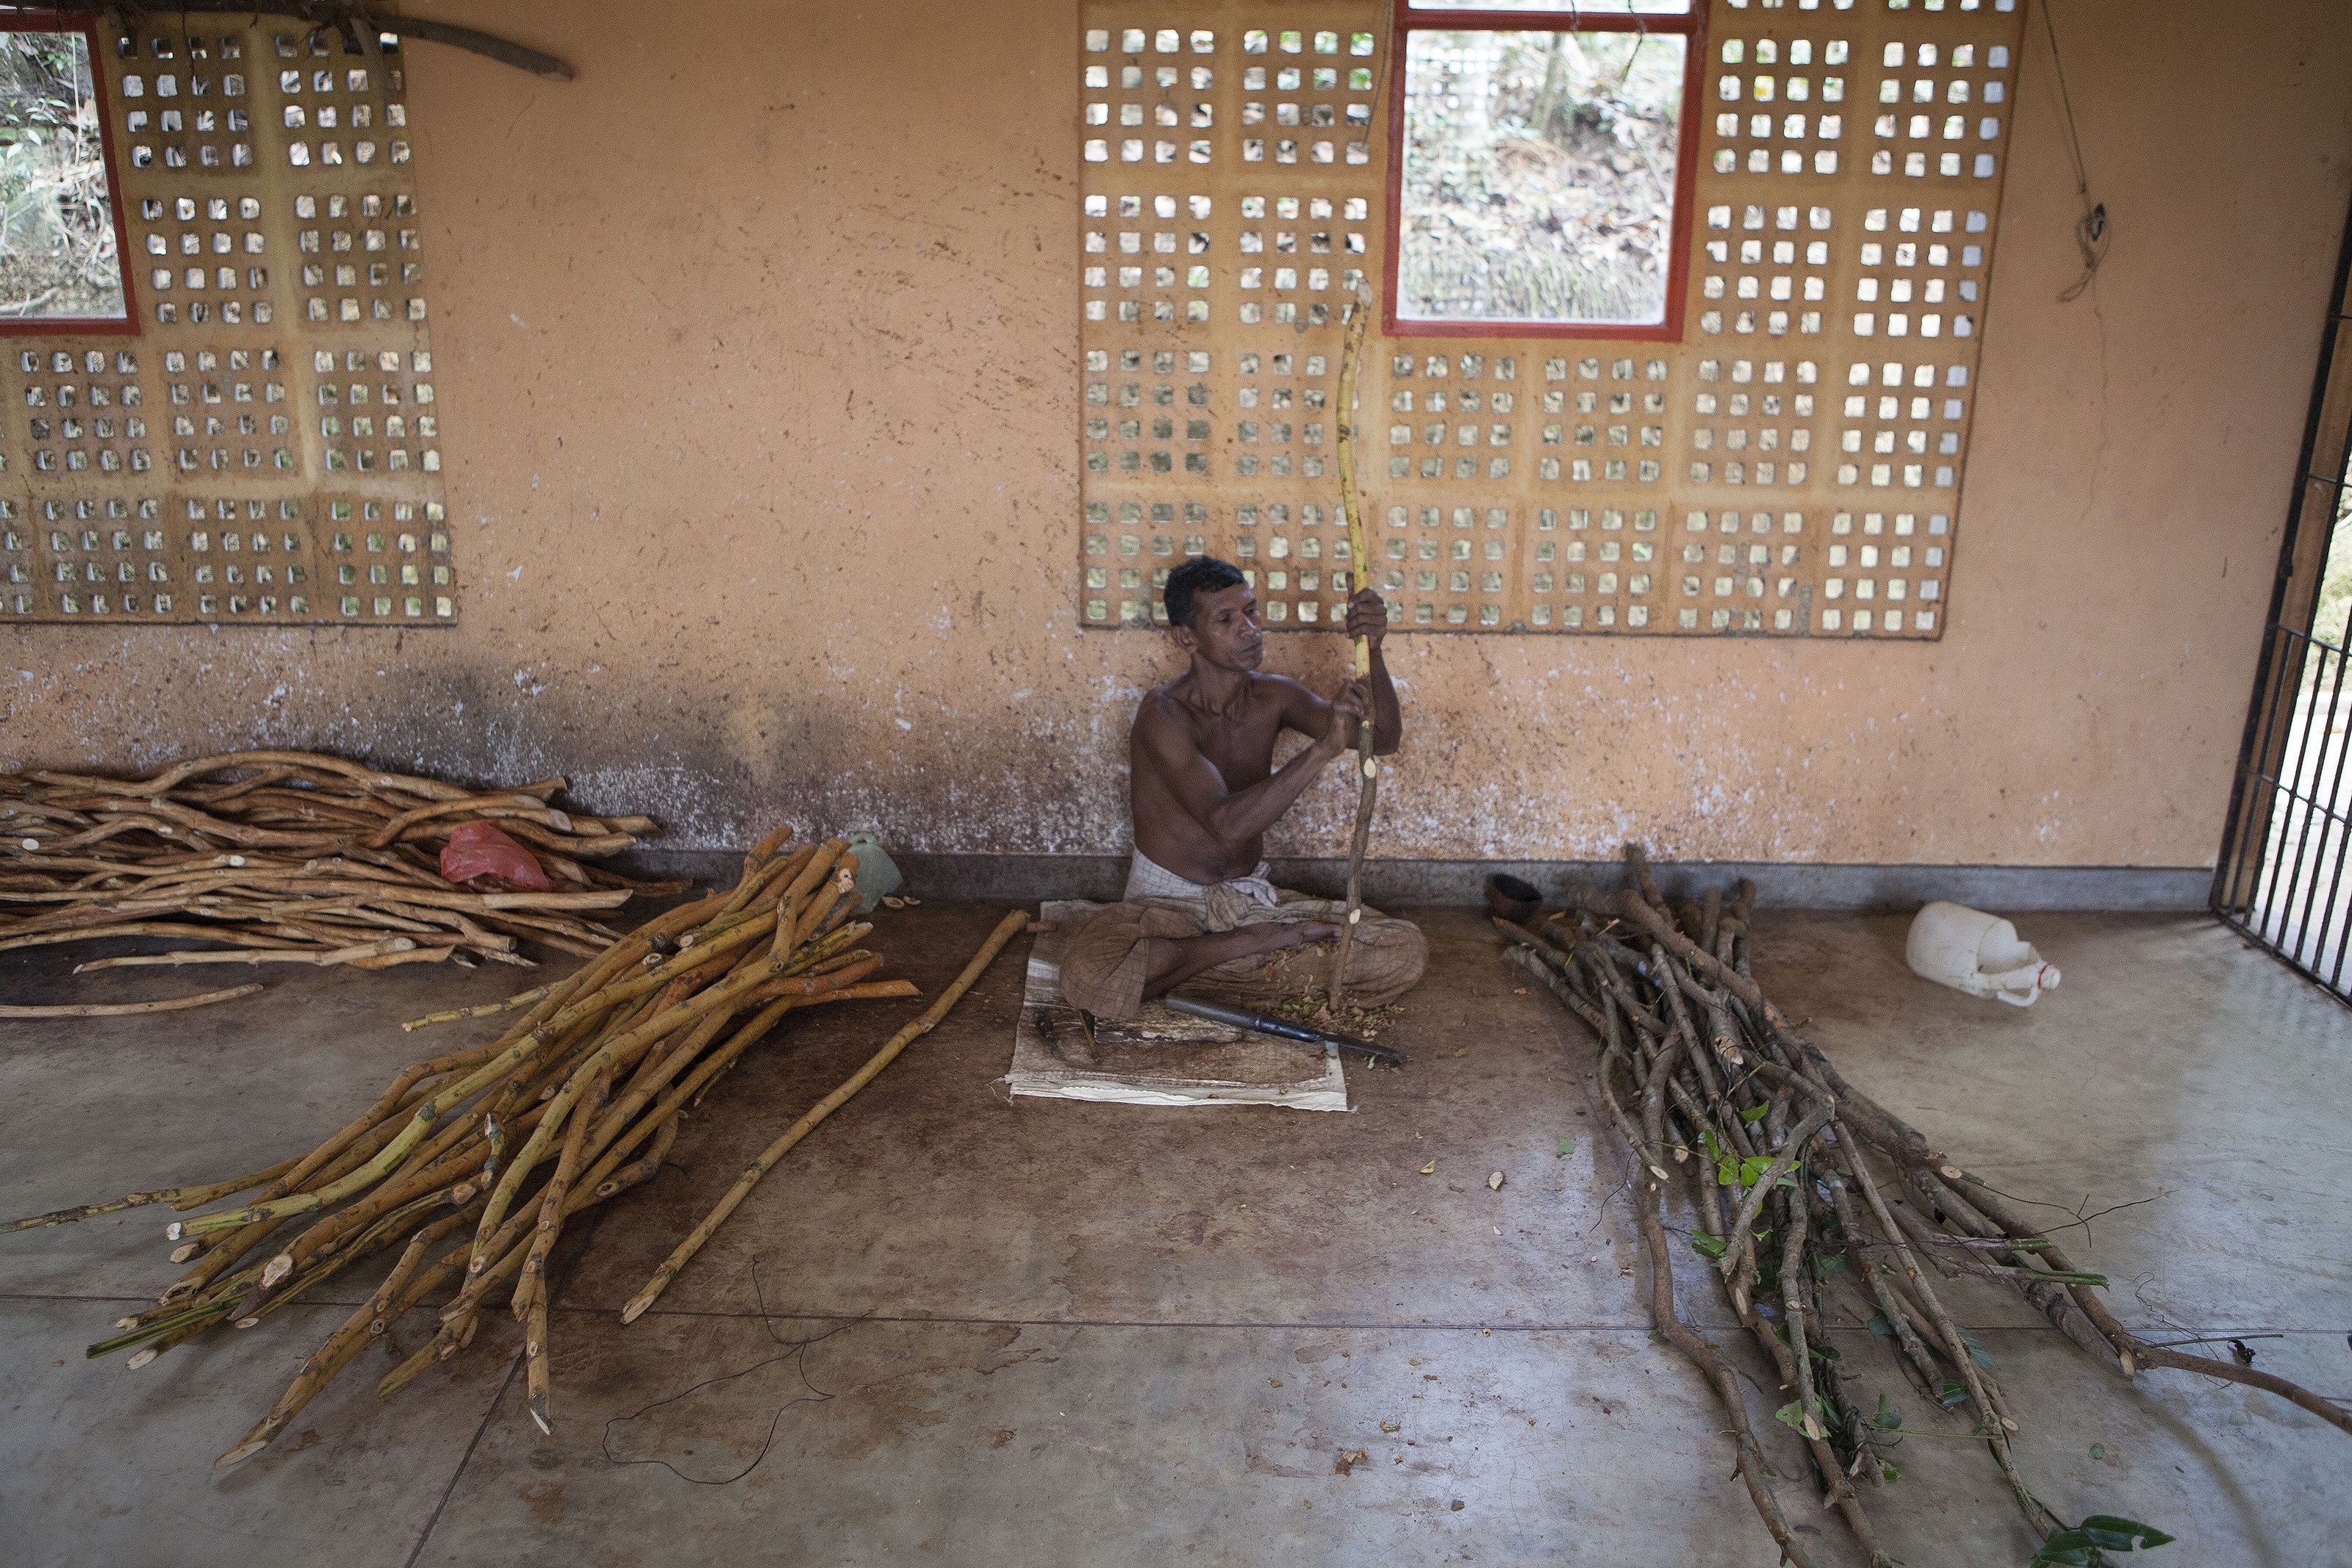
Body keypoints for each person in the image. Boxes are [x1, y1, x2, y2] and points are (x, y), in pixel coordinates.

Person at [1057, 558, 1428, 1023]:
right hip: (1167, 904)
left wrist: (1372, 648)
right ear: (1187, 638)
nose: (1249, 628)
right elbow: (1226, 824)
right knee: (1089, 974)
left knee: (1403, 948)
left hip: (1250, 899)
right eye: (1227, 619)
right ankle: (1254, 951)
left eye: (1251, 611)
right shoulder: (1164, 715)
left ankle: (1191, 967)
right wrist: (1321, 751)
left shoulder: (1275, 696)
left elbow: (1384, 739)